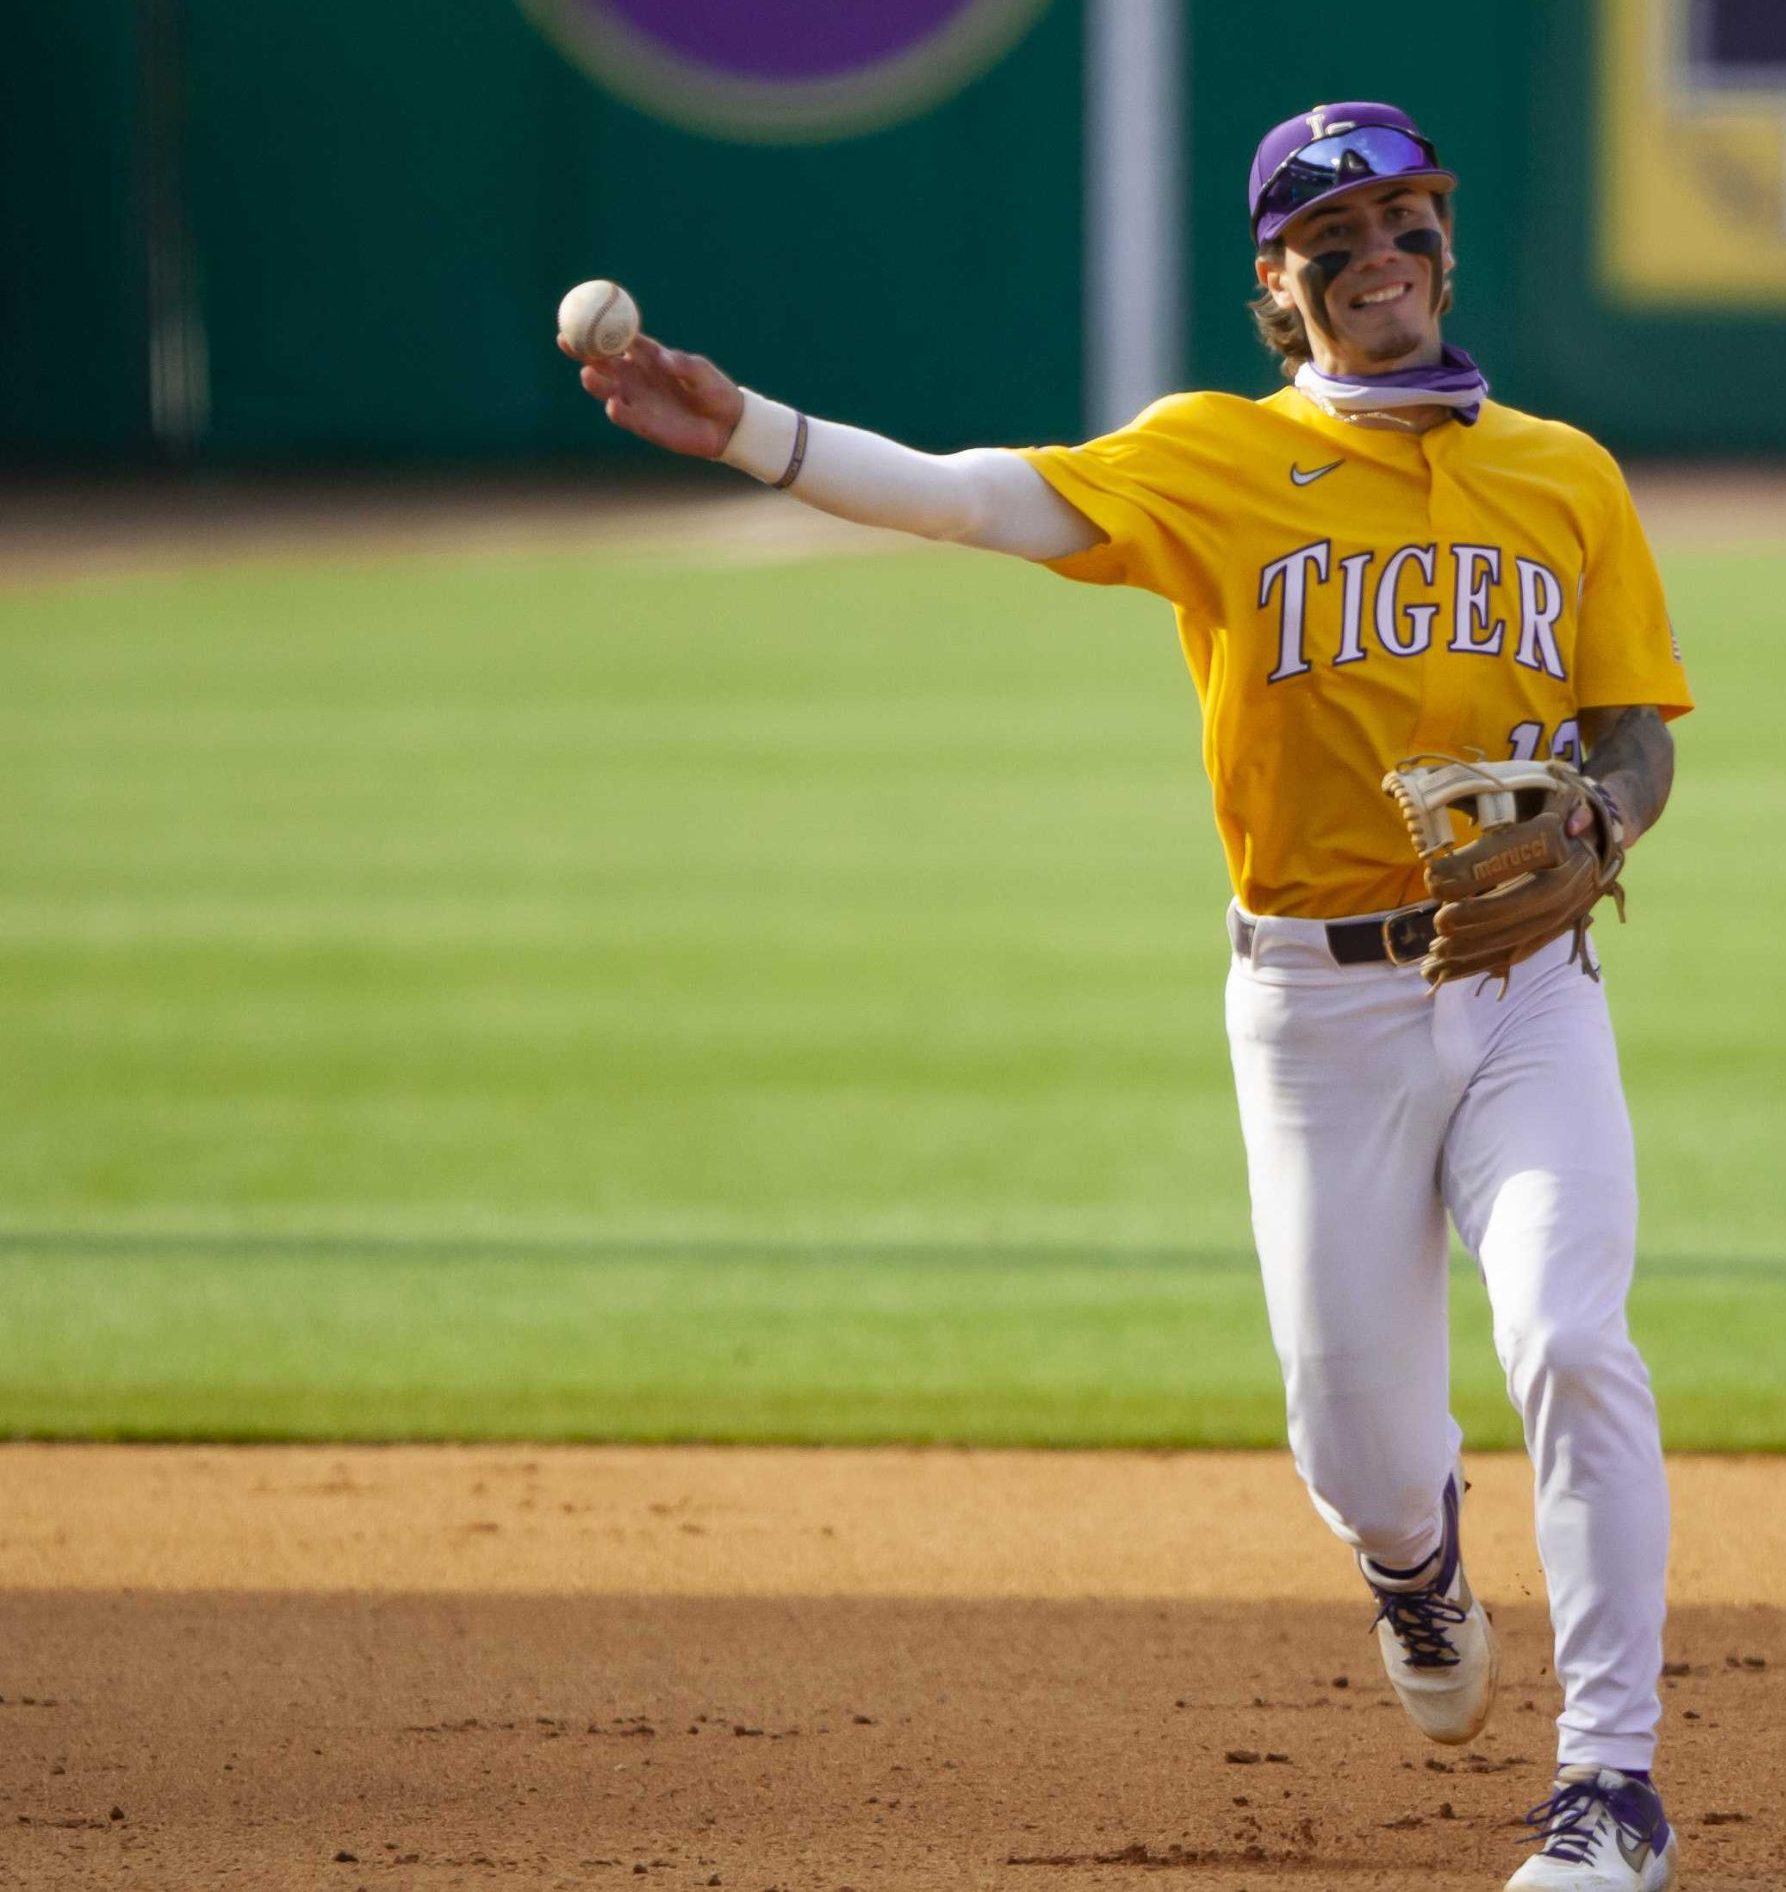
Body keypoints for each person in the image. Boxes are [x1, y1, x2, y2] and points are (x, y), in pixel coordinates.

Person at [565, 103, 1690, 1892]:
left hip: (1528, 989)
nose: (1375, 247)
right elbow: (970, 496)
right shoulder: (1213, 459)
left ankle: (1611, 1788)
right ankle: (1417, 1566)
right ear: (1278, 279)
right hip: (1316, 1017)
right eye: (1333, 230)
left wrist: (1612, 814)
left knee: (1569, 1334)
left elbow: (1632, 726)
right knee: (1360, 1450)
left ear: (1444, 239)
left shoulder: (1566, 473)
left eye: (1402, 213)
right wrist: (759, 435)